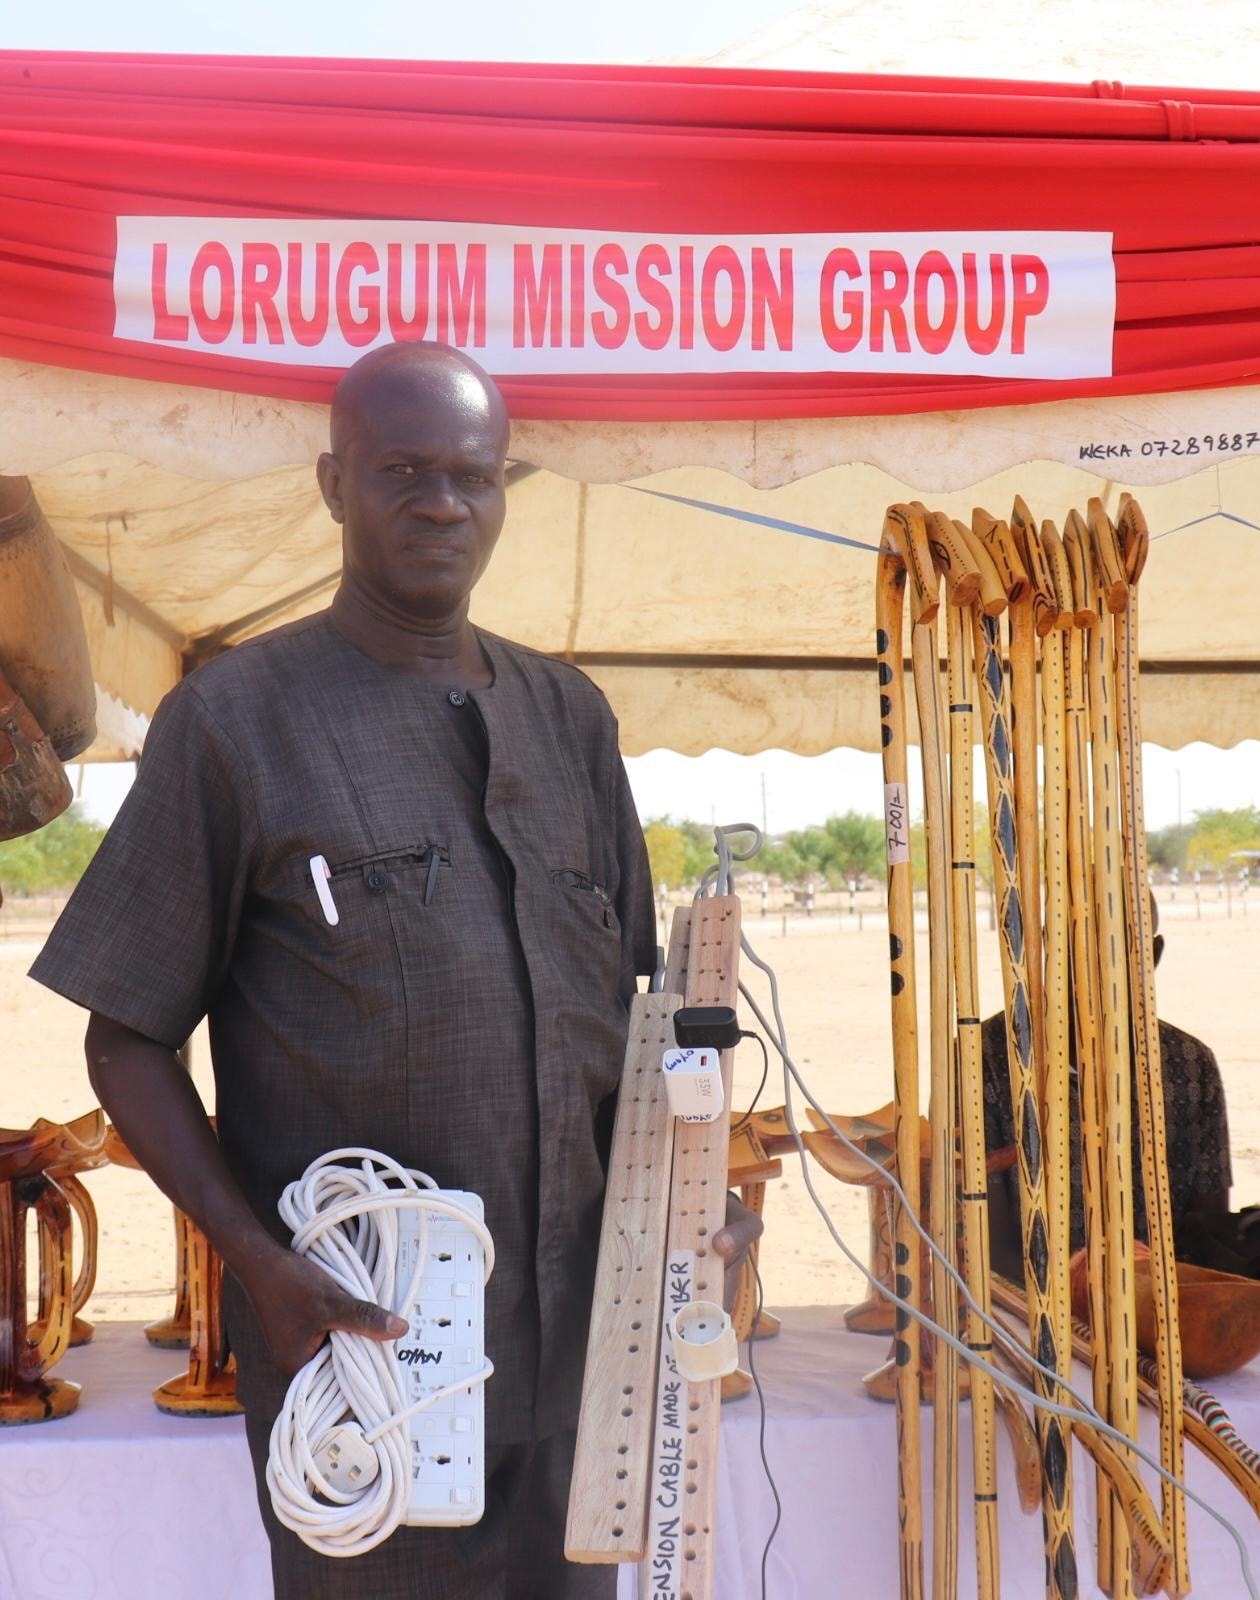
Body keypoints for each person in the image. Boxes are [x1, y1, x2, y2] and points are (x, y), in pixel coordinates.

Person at [30, 342, 760, 1599]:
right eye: (403, 472)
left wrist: (700, 1209)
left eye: (470, 476)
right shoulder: (237, 721)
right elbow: (125, 1037)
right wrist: (259, 1265)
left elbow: (649, 1034)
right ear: (334, 484)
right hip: (360, 1352)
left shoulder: (569, 720)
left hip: (584, 1353)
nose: (441, 504)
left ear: (502, 493)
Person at [980, 890, 1231, 1281]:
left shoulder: (1190, 1064)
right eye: (1077, 947)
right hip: (1026, 1315)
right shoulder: (987, 1057)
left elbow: (1209, 1236)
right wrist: (1080, 1289)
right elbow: (983, 1247)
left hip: (1159, 1311)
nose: (1095, 966)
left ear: (1154, 955)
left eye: (1118, 948)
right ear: (1048, 949)